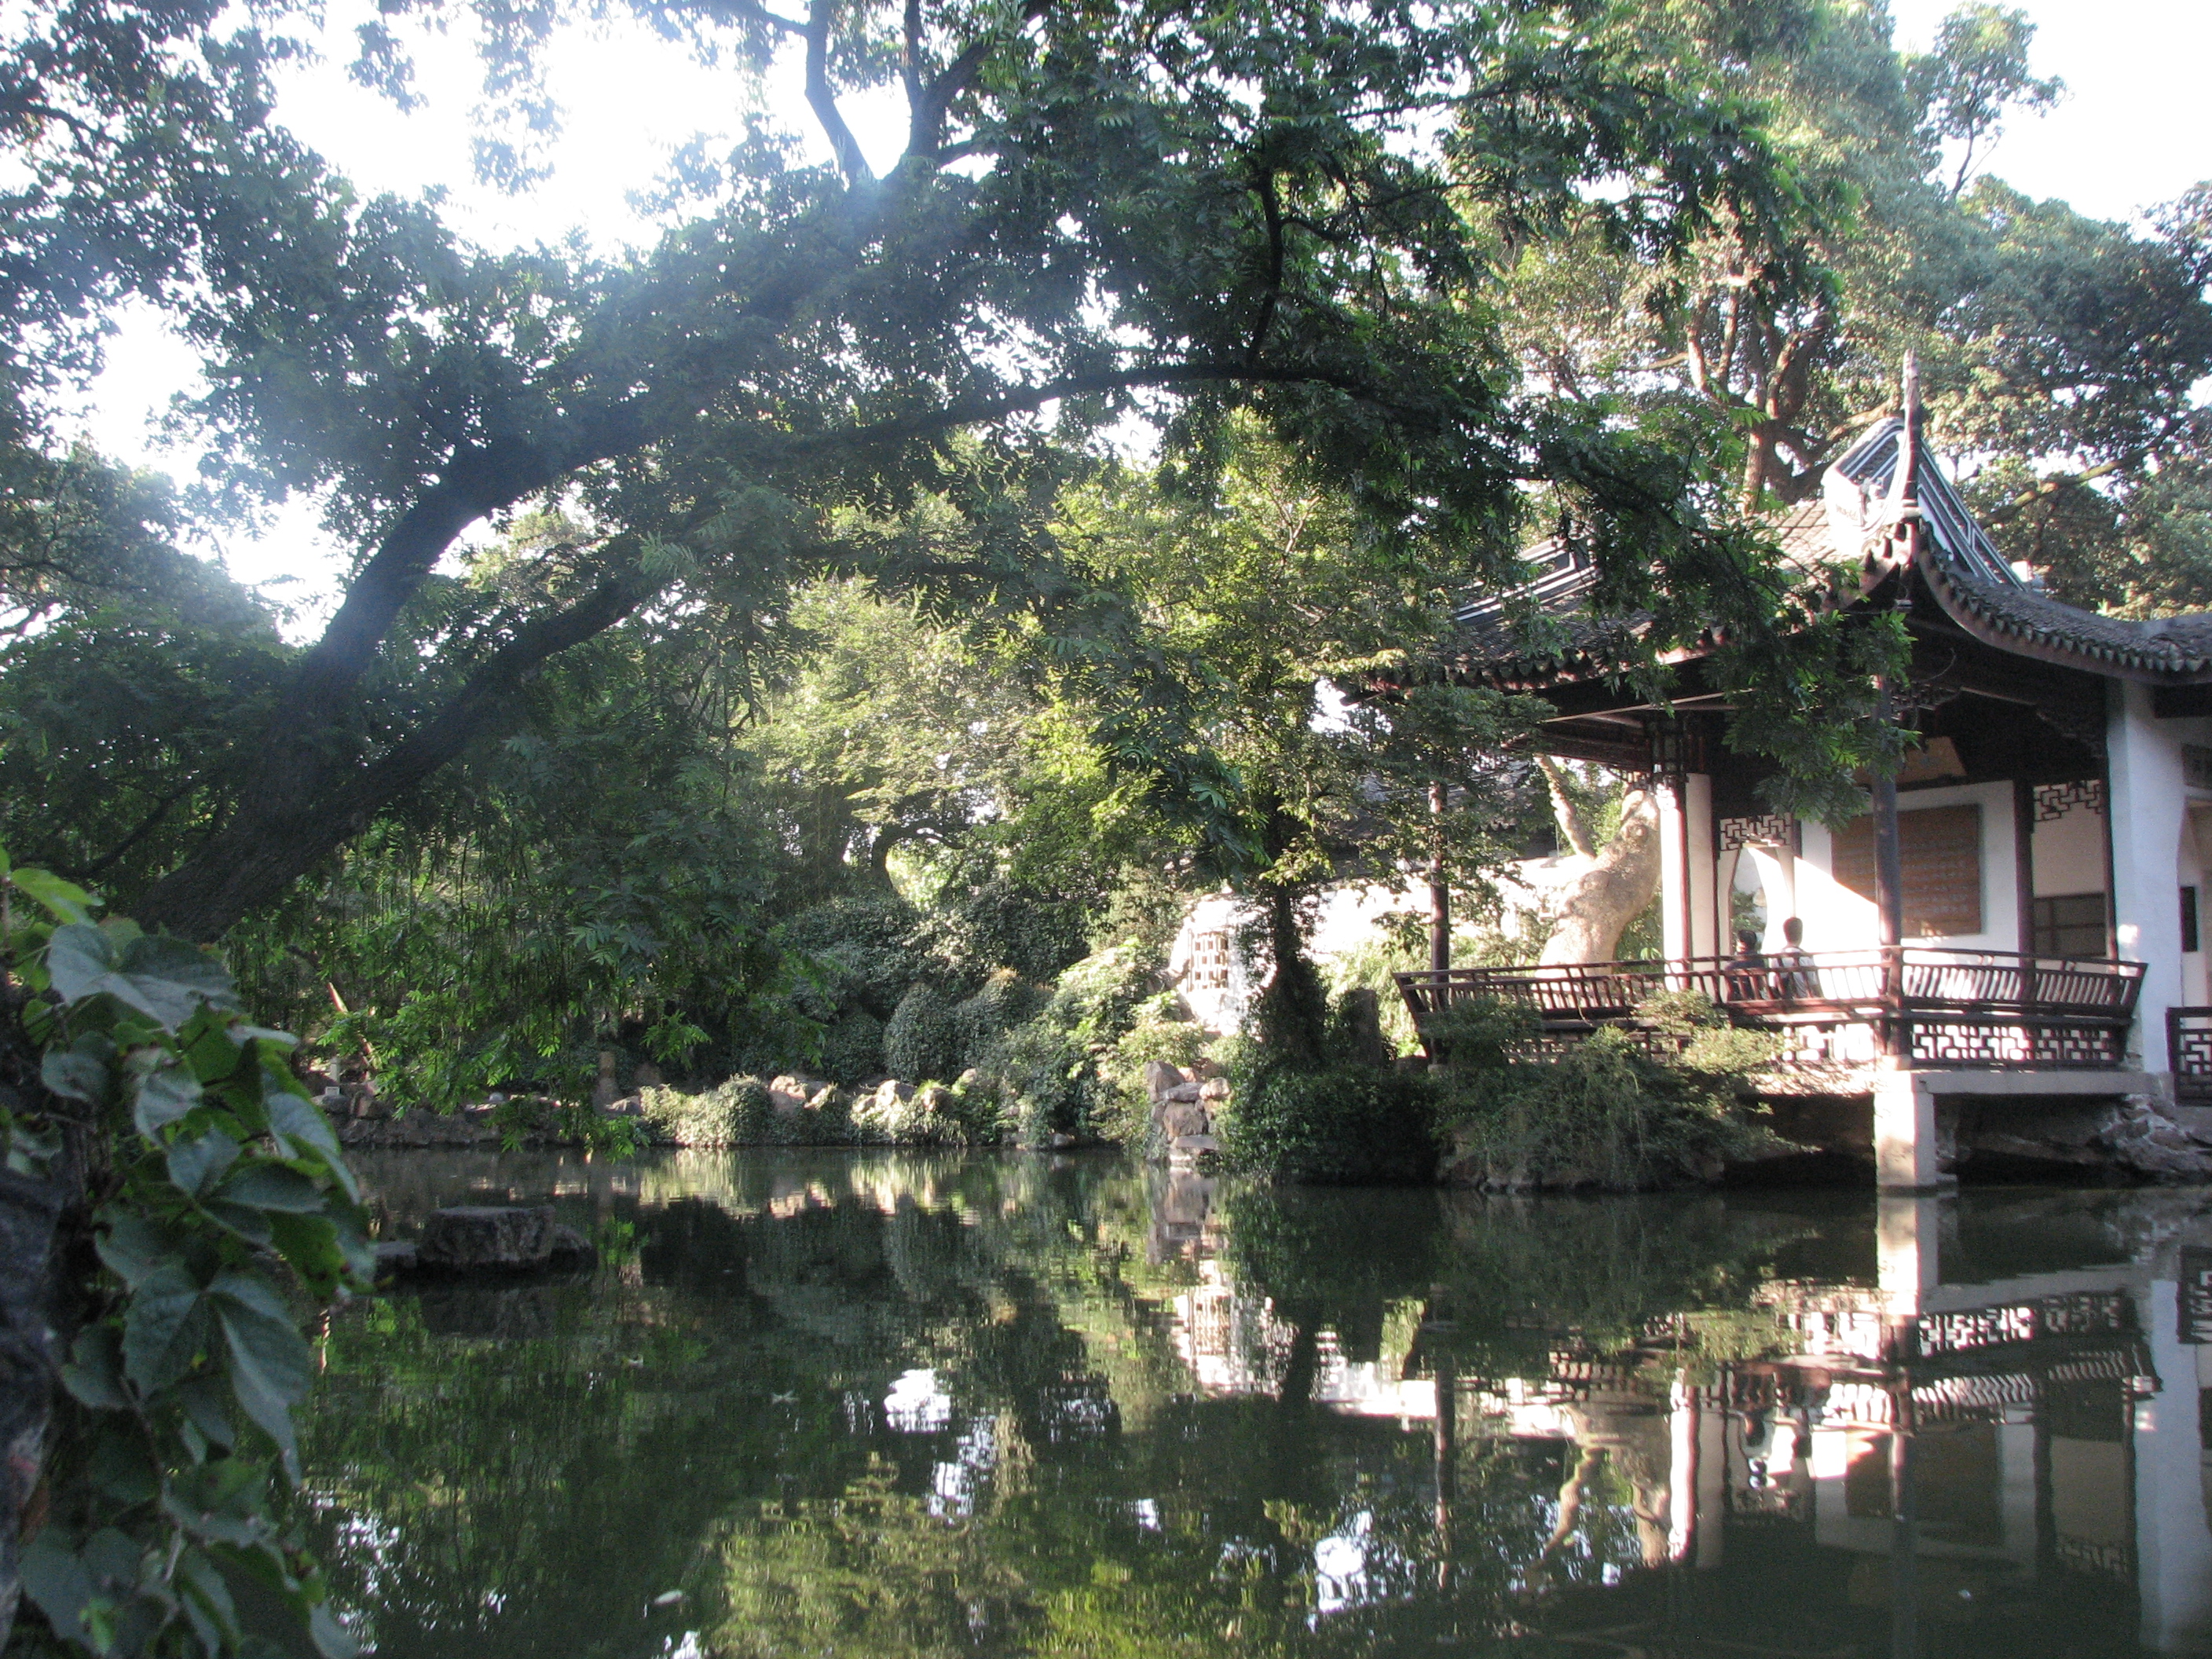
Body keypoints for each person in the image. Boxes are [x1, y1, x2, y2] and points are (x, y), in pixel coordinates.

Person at [1771, 916, 1817, 1000]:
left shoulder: (1776, 958)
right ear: (1801, 934)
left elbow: (1775, 984)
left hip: (1785, 1000)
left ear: (1785, 934)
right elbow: (1813, 984)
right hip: (1805, 999)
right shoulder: (1807, 957)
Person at [1724, 928, 1769, 1002]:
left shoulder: (1732, 962)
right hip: (1754, 998)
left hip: (1735, 999)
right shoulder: (1758, 960)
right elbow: (1761, 985)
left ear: (1740, 942)